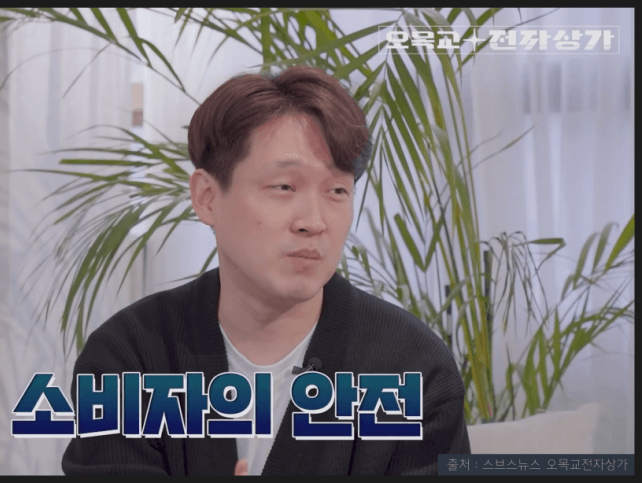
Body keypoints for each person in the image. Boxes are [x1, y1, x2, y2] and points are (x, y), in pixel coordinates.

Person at [61, 65, 470, 475]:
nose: (313, 222)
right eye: (284, 187)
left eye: (337, 191)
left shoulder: (413, 368)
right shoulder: (129, 359)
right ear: (207, 197)